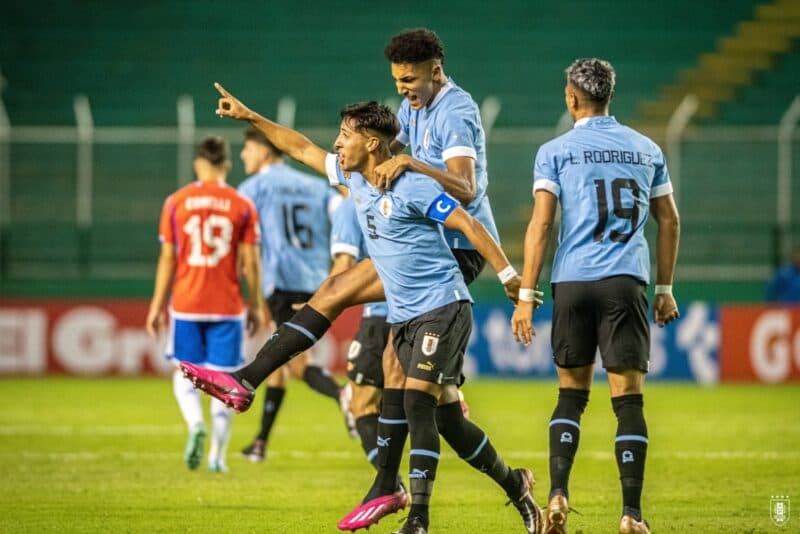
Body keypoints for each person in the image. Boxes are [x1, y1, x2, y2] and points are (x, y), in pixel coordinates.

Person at [182, 97, 543, 534]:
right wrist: (251, 117)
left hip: (443, 307)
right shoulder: (356, 178)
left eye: (345, 136)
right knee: (447, 418)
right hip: (405, 314)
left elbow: (468, 224)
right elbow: (299, 148)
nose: (336, 144)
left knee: (416, 403)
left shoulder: (411, 186)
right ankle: (515, 484)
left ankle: (418, 520)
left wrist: (510, 277)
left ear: (371, 143)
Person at [511, 58, 681, 534]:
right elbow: (668, 219)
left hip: (572, 281)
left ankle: (558, 495)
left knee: (570, 395)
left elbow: (542, 223)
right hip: (625, 280)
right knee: (628, 401)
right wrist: (664, 289)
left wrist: (526, 294)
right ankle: (631, 514)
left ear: (571, 98)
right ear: (610, 96)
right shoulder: (646, 148)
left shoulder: (555, 151)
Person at [145, 136, 264, 473]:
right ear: (227, 165)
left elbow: (168, 258)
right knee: (224, 379)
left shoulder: (176, 202)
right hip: (227, 305)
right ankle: (217, 456)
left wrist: (156, 306)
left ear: (198, 164)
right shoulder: (242, 205)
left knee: (185, 371)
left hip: (186, 302)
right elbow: (251, 263)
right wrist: (256, 304)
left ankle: (195, 423)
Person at [237, 127, 348, 463]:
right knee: (279, 363)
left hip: (282, 283)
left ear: (263, 150)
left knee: (296, 363)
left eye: (248, 149)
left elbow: (245, 241)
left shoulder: (252, 189)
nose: (244, 156)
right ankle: (260, 443)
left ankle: (344, 396)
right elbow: (344, 208)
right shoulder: (314, 185)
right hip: (317, 281)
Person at [329, 195, 391, 471]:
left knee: (362, 403)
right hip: (429, 309)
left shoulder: (351, 204)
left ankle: (389, 483)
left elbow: (343, 265)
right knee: (415, 399)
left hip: (381, 315)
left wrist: (319, 304)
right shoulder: (407, 190)